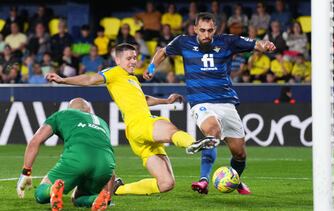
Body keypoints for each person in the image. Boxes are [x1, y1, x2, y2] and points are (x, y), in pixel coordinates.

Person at [46, 43, 219, 196]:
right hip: (140, 123)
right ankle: (191, 144)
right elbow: (90, 78)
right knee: (169, 129)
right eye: (129, 58)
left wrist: (165, 101)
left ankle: (118, 189)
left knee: (166, 184)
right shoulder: (114, 72)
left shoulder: (132, 79)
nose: (133, 61)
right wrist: (63, 80)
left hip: (137, 137)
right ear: (118, 60)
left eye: (135, 58)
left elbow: (144, 99)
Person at [144, 12, 276, 195]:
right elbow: (162, 52)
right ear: (195, 29)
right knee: (212, 132)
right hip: (201, 101)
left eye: (210, 30)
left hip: (226, 101)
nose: (206, 34)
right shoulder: (183, 41)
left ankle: (235, 180)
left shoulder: (227, 41)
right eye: (203, 30)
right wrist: (151, 67)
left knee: (239, 153)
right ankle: (203, 180)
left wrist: (266, 45)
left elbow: (255, 44)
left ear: (215, 29)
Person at [16, 98, 115, 211]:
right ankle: (96, 199)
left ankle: (52, 189)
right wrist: (109, 195)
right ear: (89, 110)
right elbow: (103, 151)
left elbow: (35, 141)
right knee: (79, 199)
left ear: (69, 109)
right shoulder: (102, 122)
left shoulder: (62, 114)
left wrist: (26, 172)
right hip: (106, 164)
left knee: (40, 194)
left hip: (77, 159)